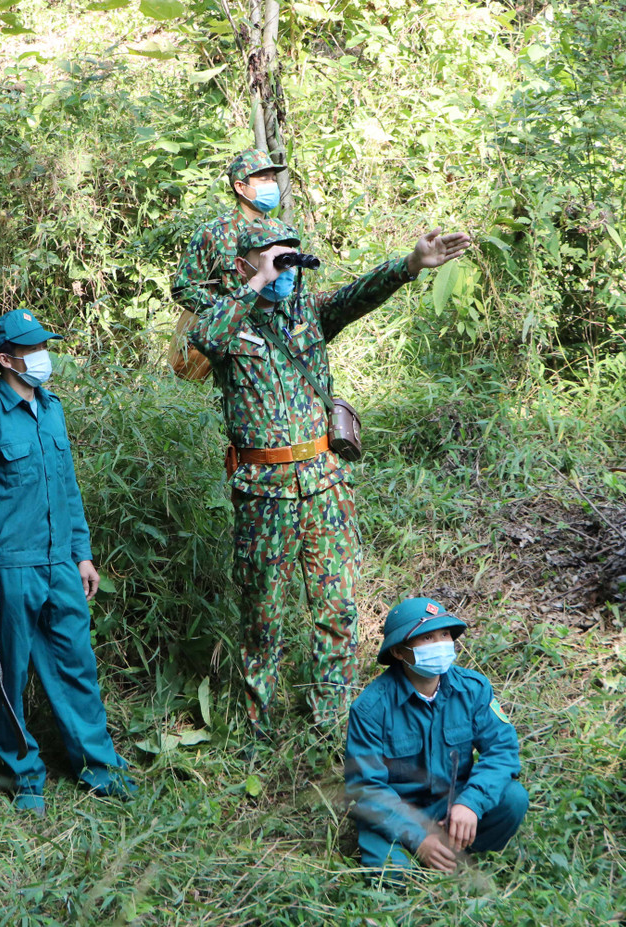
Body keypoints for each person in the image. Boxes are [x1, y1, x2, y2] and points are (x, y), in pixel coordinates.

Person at [187, 217, 471, 736]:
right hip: (264, 493)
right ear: (244, 265)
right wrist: (257, 282)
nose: (288, 271)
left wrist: (412, 263)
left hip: (325, 485)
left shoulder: (308, 314)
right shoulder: (228, 321)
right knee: (262, 613)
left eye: (293, 259)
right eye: (277, 260)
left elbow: (358, 295)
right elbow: (203, 338)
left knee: (336, 606)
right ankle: (257, 724)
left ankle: (330, 719)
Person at [0, 308, 134, 812]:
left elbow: (67, 488)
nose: (42, 357)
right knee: (10, 676)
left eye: (43, 347)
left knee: (77, 667)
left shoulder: (52, 409)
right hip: (11, 568)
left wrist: (82, 554)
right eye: (31, 349)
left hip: (60, 565)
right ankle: (24, 777)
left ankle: (98, 768)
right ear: (6, 359)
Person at [344, 597, 529, 874]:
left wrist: (470, 803)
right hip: (398, 814)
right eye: (427, 637)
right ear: (398, 651)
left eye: (445, 634)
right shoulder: (371, 708)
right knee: (391, 876)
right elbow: (366, 787)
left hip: (452, 803)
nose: (440, 644)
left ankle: (457, 850)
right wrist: (418, 837)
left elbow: (502, 750)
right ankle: (421, 856)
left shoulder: (473, 689)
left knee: (513, 799)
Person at [172, 148, 289, 316]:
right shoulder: (214, 232)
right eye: (264, 179)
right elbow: (183, 288)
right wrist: (227, 310)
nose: (271, 184)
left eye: (273, 179)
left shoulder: (282, 233)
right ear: (240, 187)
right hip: (228, 328)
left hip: (273, 324)